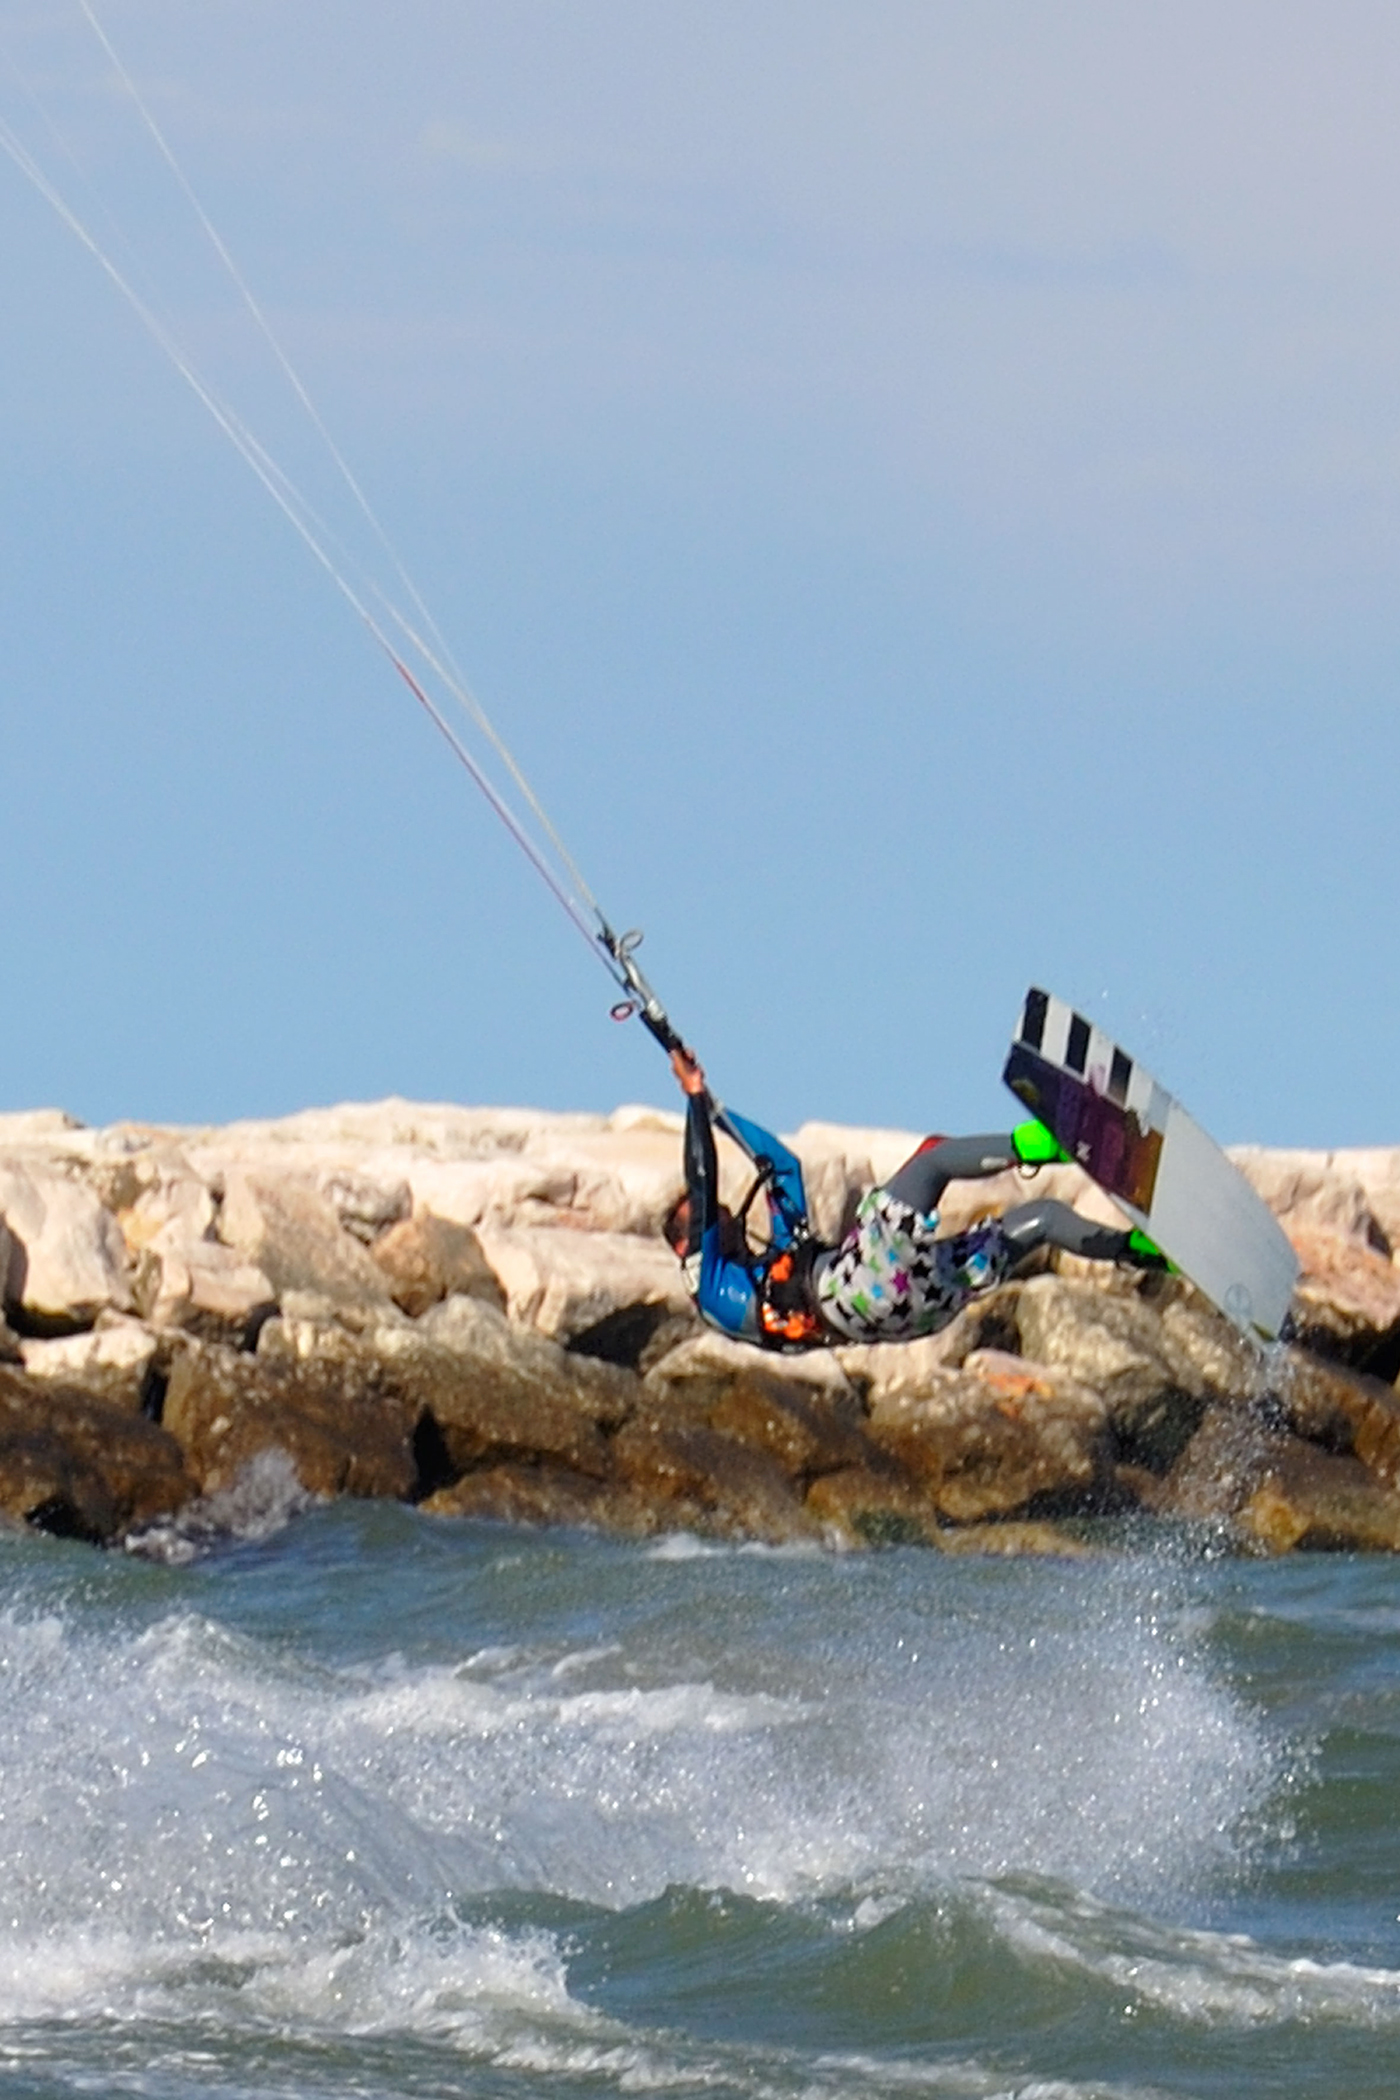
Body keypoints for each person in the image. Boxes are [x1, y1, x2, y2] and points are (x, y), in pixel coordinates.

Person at [664, 1046, 1167, 1351]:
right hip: (856, 1289)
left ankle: (1141, 1251)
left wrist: (716, 1109)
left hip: (917, 1312)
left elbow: (783, 1168)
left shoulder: (766, 1271)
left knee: (1043, 1218)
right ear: (684, 1247)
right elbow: (702, 1177)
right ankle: (1053, 1144)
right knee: (932, 1158)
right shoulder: (707, 1285)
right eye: (707, 1223)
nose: (722, 1219)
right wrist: (690, 1095)